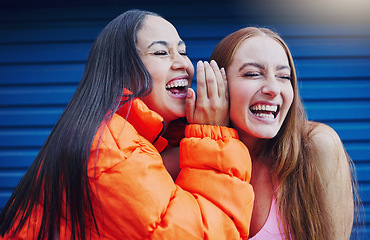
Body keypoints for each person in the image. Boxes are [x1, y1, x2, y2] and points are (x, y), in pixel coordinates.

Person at [0, 10, 254, 239]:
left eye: (183, 51)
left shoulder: (136, 139)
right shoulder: (110, 149)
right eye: (161, 52)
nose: (184, 65)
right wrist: (214, 138)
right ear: (122, 71)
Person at [209, 27, 356, 240]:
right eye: (252, 74)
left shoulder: (318, 146)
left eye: (283, 76)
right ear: (215, 84)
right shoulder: (193, 158)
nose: (274, 89)